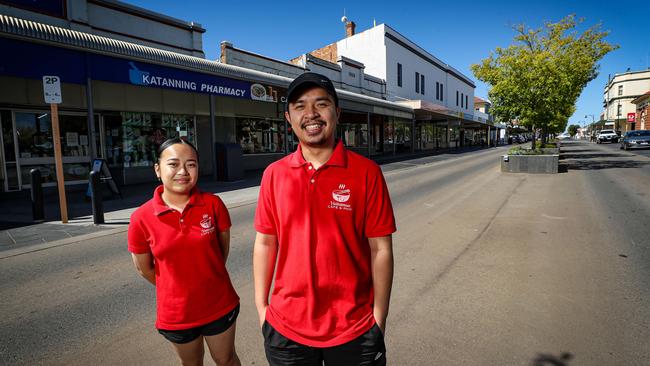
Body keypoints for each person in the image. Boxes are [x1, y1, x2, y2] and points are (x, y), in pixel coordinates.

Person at [253, 72, 396, 365]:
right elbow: (266, 243)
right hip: (285, 329)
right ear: (288, 118)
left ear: (337, 112)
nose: (311, 114)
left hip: (354, 328)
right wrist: (262, 308)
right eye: (300, 106)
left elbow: (380, 250)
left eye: (321, 104)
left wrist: (378, 319)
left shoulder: (366, 172)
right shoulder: (274, 174)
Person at [128, 138, 241, 366]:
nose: (183, 171)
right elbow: (144, 268)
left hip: (219, 303)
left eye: (191, 164)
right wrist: (177, 286)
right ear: (158, 169)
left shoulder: (213, 204)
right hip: (177, 313)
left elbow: (221, 251)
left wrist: (206, 277)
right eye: (173, 164)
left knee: (226, 360)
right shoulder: (141, 218)